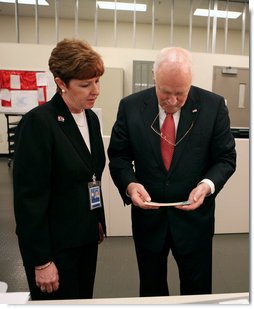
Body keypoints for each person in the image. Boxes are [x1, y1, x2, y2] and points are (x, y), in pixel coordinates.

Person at [107, 47, 236, 297]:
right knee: (151, 289)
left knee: (198, 291)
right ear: (154, 77)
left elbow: (226, 158)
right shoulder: (131, 106)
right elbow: (119, 157)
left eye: (181, 93)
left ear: (190, 83)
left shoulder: (213, 106)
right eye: (165, 93)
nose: (173, 102)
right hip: (148, 220)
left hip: (195, 221)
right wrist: (130, 185)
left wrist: (207, 185)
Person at [13, 38, 106, 300]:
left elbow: (91, 174)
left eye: (97, 81)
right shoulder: (39, 124)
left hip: (85, 237)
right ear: (61, 83)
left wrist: (96, 218)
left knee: (82, 300)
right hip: (55, 246)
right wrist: (41, 261)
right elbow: (29, 200)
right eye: (85, 84)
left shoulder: (91, 118)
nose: (95, 90)